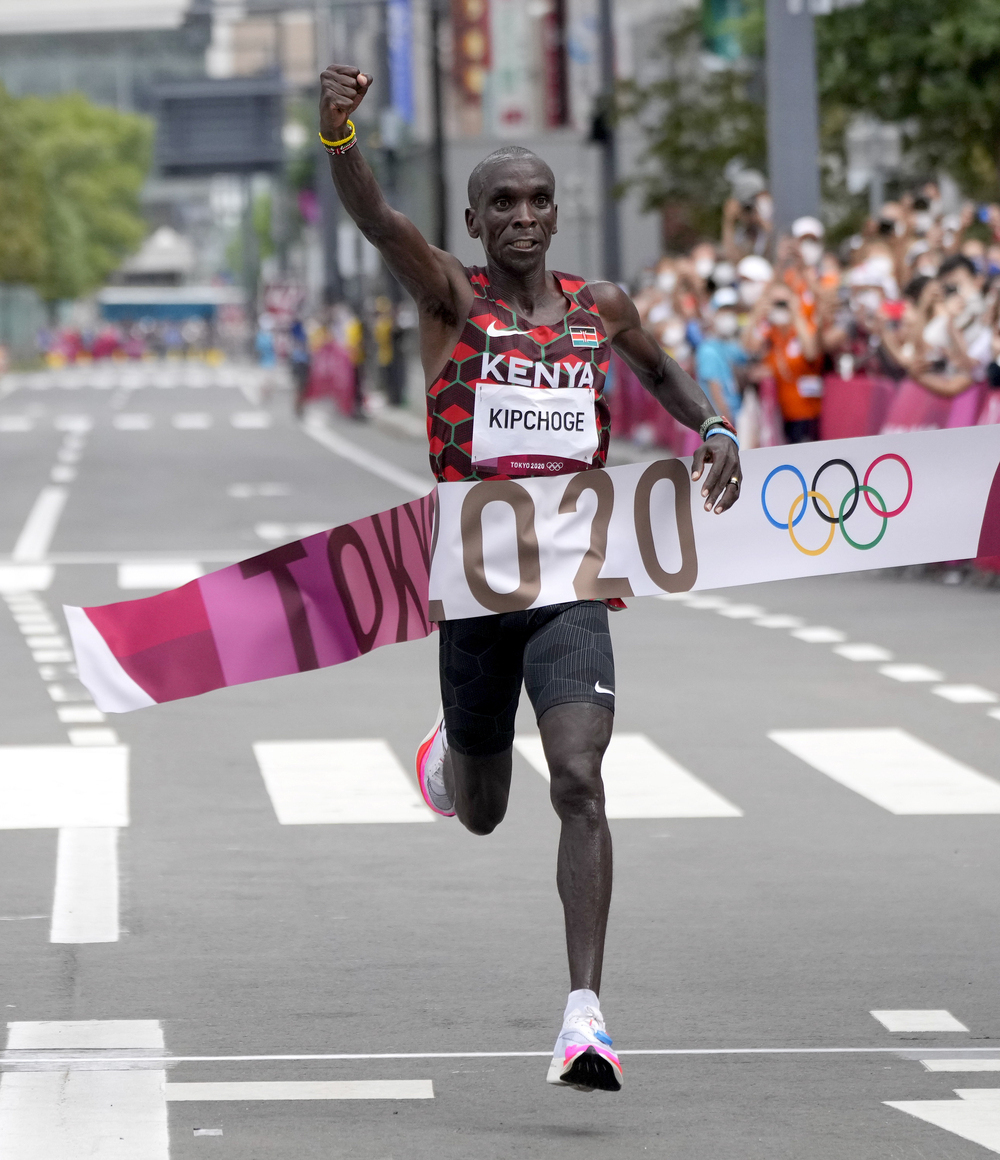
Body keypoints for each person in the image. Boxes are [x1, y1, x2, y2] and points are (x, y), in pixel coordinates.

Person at [319, 62, 742, 1095]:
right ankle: (448, 756)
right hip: (473, 592)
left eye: (538, 200)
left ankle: (583, 1015)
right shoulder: (449, 295)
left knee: (579, 778)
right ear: (473, 219)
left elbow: (658, 368)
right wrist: (337, 134)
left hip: (572, 581)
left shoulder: (599, 304)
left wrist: (715, 423)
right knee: (484, 807)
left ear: (558, 213)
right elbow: (375, 218)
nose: (522, 216)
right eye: (501, 202)